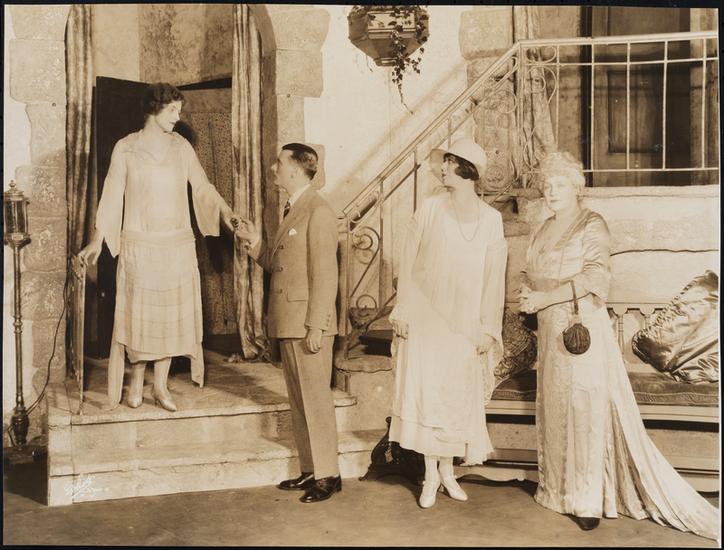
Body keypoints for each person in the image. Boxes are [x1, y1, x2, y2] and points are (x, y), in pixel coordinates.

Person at [518, 151, 718, 539]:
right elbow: (530, 271)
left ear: (577, 188)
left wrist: (545, 298)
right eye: (548, 185)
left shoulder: (592, 223)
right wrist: (527, 293)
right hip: (550, 334)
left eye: (561, 184)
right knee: (557, 409)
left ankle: (588, 500)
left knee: (585, 412)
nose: (552, 191)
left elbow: (595, 277)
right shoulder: (542, 229)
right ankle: (557, 491)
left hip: (582, 334)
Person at [78, 83, 238, 412]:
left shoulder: (181, 147)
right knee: (140, 319)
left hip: (176, 246)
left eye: (179, 111)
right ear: (154, 109)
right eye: (172, 110)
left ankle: (160, 386)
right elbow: (112, 194)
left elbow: (202, 185)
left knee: (169, 319)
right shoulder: (126, 147)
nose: (177, 117)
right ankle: (137, 383)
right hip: (140, 246)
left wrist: (225, 211)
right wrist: (97, 238)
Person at [388, 138, 508, 508]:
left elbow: (494, 279)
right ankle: (430, 475)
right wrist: (402, 310)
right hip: (426, 319)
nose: (441, 168)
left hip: (464, 325)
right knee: (429, 396)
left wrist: (488, 328)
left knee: (454, 398)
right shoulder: (430, 208)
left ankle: (447, 472)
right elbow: (408, 263)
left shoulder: (491, 220)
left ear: (466, 170)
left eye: (449, 162)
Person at [235, 143, 341, 503]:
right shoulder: (294, 208)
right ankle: (311, 469)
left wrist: (317, 326)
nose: (273, 167)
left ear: (295, 169)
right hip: (290, 321)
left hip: (308, 324)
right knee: (300, 402)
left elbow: (325, 275)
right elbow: (280, 265)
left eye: (279, 162)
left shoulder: (318, 210)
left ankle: (329, 475)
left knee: (316, 401)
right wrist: (255, 243)